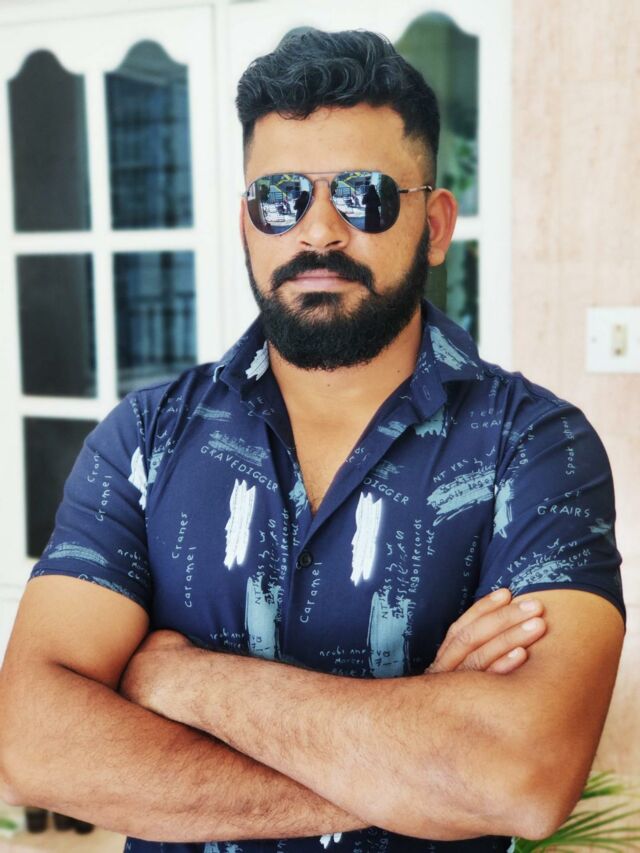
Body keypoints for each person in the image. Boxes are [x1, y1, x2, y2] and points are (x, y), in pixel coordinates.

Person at [0, 28, 626, 853]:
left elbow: (522, 776)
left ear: (435, 223)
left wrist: (183, 679)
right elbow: (31, 742)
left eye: (365, 194)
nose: (319, 230)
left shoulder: (534, 448)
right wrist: (412, 763)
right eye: (280, 196)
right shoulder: (146, 439)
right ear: (246, 224)